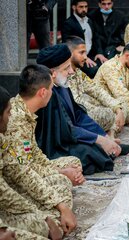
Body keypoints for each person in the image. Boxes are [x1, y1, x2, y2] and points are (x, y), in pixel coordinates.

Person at [2, 65, 79, 236]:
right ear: (43, 92)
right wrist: (60, 203)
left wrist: (59, 170)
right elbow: (22, 172)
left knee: (72, 164)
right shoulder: (14, 120)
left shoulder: (25, 111)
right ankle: (55, 217)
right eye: (52, 88)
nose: (53, 93)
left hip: (26, 172)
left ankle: (54, 214)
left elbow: (34, 153)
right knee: (62, 183)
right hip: (17, 185)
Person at [35, 44, 129, 175]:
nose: (71, 72)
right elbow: (66, 130)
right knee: (92, 154)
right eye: (66, 68)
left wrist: (103, 136)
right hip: (58, 144)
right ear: (52, 73)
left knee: (99, 147)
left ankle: (108, 146)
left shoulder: (62, 85)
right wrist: (99, 140)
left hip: (70, 136)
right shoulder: (48, 96)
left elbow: (78, 115)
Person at [0, 86, 63, 240]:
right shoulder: (16, 121)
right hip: (8, 200)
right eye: (8, 112)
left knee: (61, 185)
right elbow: (5, 192)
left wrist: (58, 205)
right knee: (42, 227)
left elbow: (22, 166)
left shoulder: (1, 137)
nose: (10, 116)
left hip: (12, 197)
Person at [66, 36, 125, 135]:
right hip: (76, 117)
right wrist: (109, 111)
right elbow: (78, 105)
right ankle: (109, 133)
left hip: (85, 111)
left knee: (121, 107)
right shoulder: (63, 74)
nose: (85, 57)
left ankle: (110, 132)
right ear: (69, 53)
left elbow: (97, 90)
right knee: (110, 115)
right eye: (81, 53)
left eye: (85, 52)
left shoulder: (78, 72)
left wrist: (117, 108)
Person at [62, 0, 99, 78]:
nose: (84, 9)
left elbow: (96, 39)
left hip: (91, 55)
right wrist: (84, 57)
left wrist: (100, 53)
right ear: (74, 7)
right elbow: (68, 45)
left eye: (86, 7)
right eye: (81, 7)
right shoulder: (68, 23)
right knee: (94, 70)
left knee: (104, 66)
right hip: (78, 57)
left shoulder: (89, 21)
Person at [88, 0, 126, 65]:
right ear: (99, 4)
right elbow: (94, 36)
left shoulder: (120, 16)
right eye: (104, 4)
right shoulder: (92, 16)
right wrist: (99, 52)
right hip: (97, 49)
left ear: (112, 3)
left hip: (114, 47)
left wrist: (122, 45)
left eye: (109, 4)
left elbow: (122, 33)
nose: (106, 6)